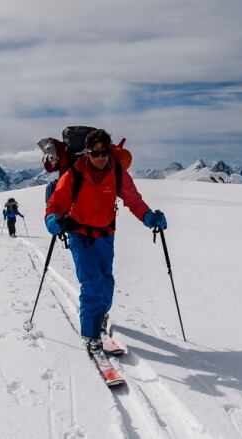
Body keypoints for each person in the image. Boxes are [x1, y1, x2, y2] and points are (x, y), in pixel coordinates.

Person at [43, 128, 167, 356]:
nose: (100, 158)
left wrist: (149, 217)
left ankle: (100, 316)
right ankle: (90, 335)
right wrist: (52, 219)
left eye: (104, 153)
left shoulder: (117, 173)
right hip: (79, 233)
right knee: (91, 282)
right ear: (87, 153)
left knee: (106, 281)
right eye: (95, 153)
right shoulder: (74, 174)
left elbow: (133, 200)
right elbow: (56, 204)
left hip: (105, 233)